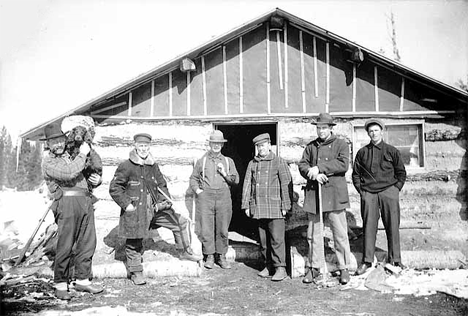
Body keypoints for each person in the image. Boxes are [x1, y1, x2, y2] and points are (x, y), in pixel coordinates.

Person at [109, 133, 202, 285]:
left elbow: (162, 185)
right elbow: (115, 188)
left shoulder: (153, 166)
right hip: (136, 210)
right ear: (135, 146)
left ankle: (185, 252)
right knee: (134, 240)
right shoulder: (126, 166)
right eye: (141, 146)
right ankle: (136, 272)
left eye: (146, 146)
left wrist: (164, 202)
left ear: (149, 147)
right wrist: (127, 205)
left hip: (155, 208)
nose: (143, 149)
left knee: (180, 222)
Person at [41, 122, 104, 300]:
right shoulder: (48, 162)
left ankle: (83, 280)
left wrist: (96, 180)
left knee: (87, 242)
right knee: (66, 243)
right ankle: (60, 284)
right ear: (48, 145)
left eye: (60, 140)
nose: (58, 145)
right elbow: (69, 173)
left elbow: (84, 172)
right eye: (54, 143)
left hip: (85, 200)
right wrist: (83, 153)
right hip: (66, 203)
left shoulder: (72, 155)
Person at [298, 113, 352, 285]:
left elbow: (343, 164)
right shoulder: (311, 147)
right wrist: (312, 175)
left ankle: (344, 268)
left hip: (334, 193)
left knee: (340, 233)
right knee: (314, 234)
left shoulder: (341, 144)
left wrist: (320, 169)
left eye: (324, 128)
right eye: (318, 128)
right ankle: (314, 268)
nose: (321, 131)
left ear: (330, 128)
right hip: (316, 193)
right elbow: (302, 165)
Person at [352, 119, 407, 275]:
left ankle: (395, 259)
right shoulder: (362, 152)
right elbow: (356, 174)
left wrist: (395, 189)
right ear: (368, 133)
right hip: (369, 194)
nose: (373, 133)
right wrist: (362, 191)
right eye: (371, 131)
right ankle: (367, 261)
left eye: (376, 130)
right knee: (369, 227)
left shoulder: (392, 151)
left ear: (381, 132)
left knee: (392, 225)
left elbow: (401, 173)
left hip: (389, 192)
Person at [241, 133, 292, 282]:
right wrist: (246, 205)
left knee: (277, 239)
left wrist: (286, 205)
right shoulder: (253, 163)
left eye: (263, 145)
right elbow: (247, 185)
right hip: (259, 207)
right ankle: (268, 266)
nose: (260, 149)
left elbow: (286, 184)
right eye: (258, 146)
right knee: (264, 241)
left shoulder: (278, 162)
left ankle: (280, 268)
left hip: (275, 207)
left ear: (269, 145)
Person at [189, 130, 239, 269]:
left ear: (222, 145)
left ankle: (221, 256)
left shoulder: (228, 161)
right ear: (210, 144)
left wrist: (224, 173)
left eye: (219, 143)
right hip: (206, 197)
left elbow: (235, 180)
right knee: (207, 227)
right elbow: (193, 178)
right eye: (214, 143)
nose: (216, 145)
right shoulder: (202, 161)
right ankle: (209, 256)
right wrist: (198, 191)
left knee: (223, 228)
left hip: (224, 197)